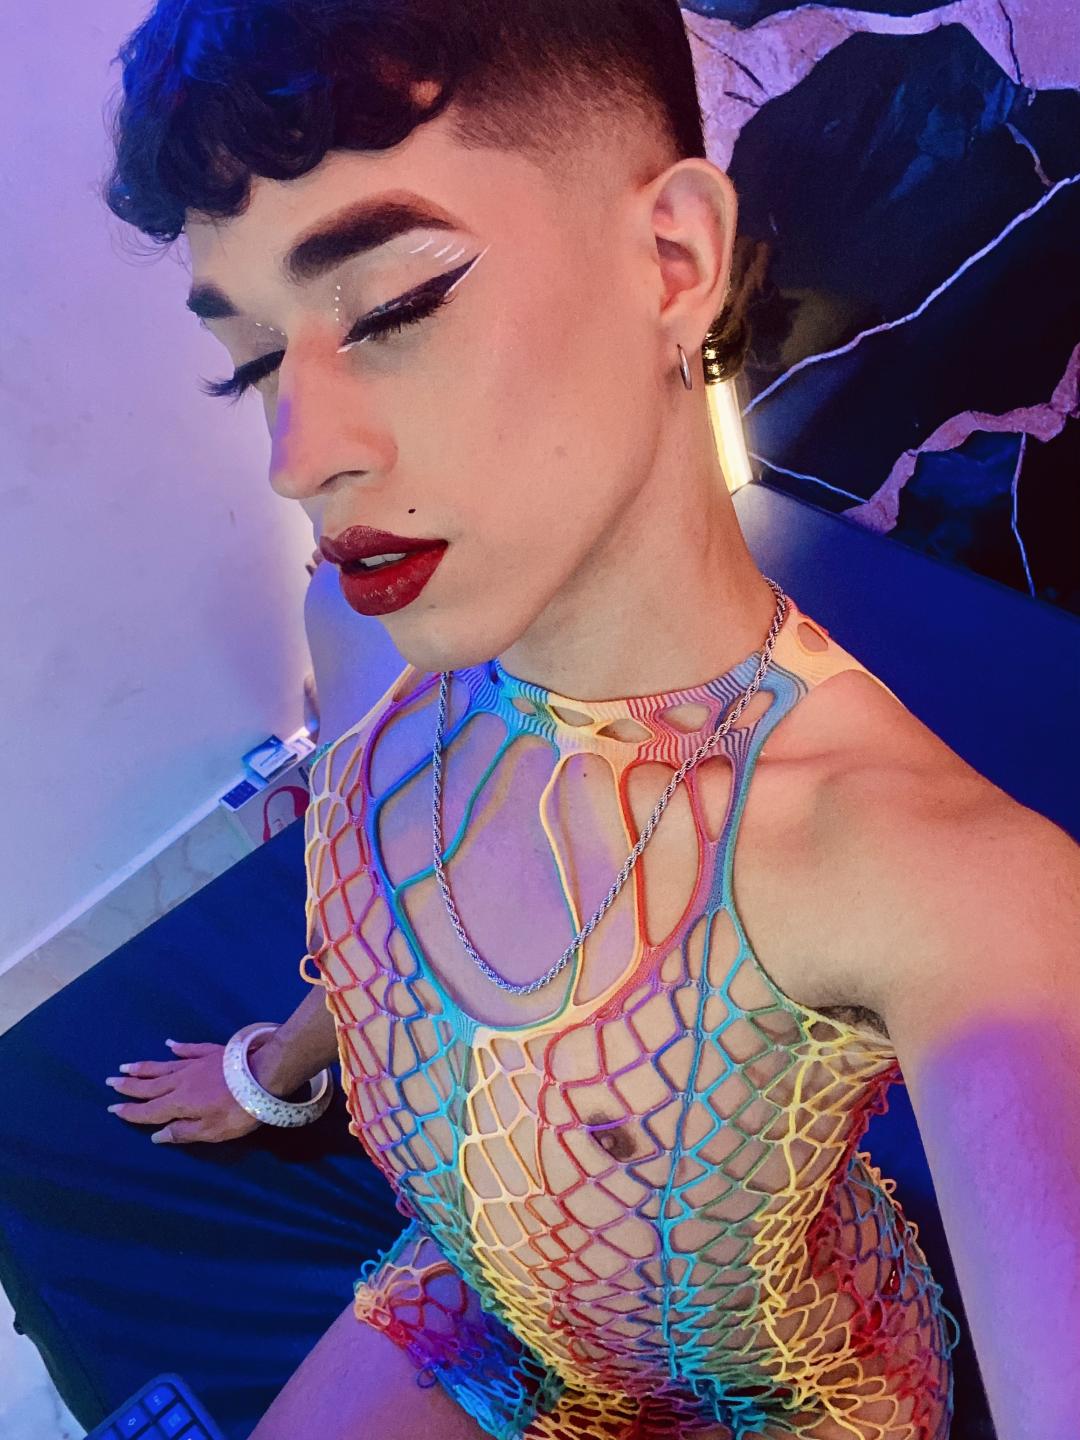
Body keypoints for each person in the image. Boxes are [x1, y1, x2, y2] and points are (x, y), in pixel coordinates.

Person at [99, 3, 1080, 1437]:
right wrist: (282, 1065)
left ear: (670, 260)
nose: (298, 459)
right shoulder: (360, 638)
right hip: (481, 1293)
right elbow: (397, 933)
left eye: (390, 309)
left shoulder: (927, 869)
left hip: (778, 1398)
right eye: (254, 362)